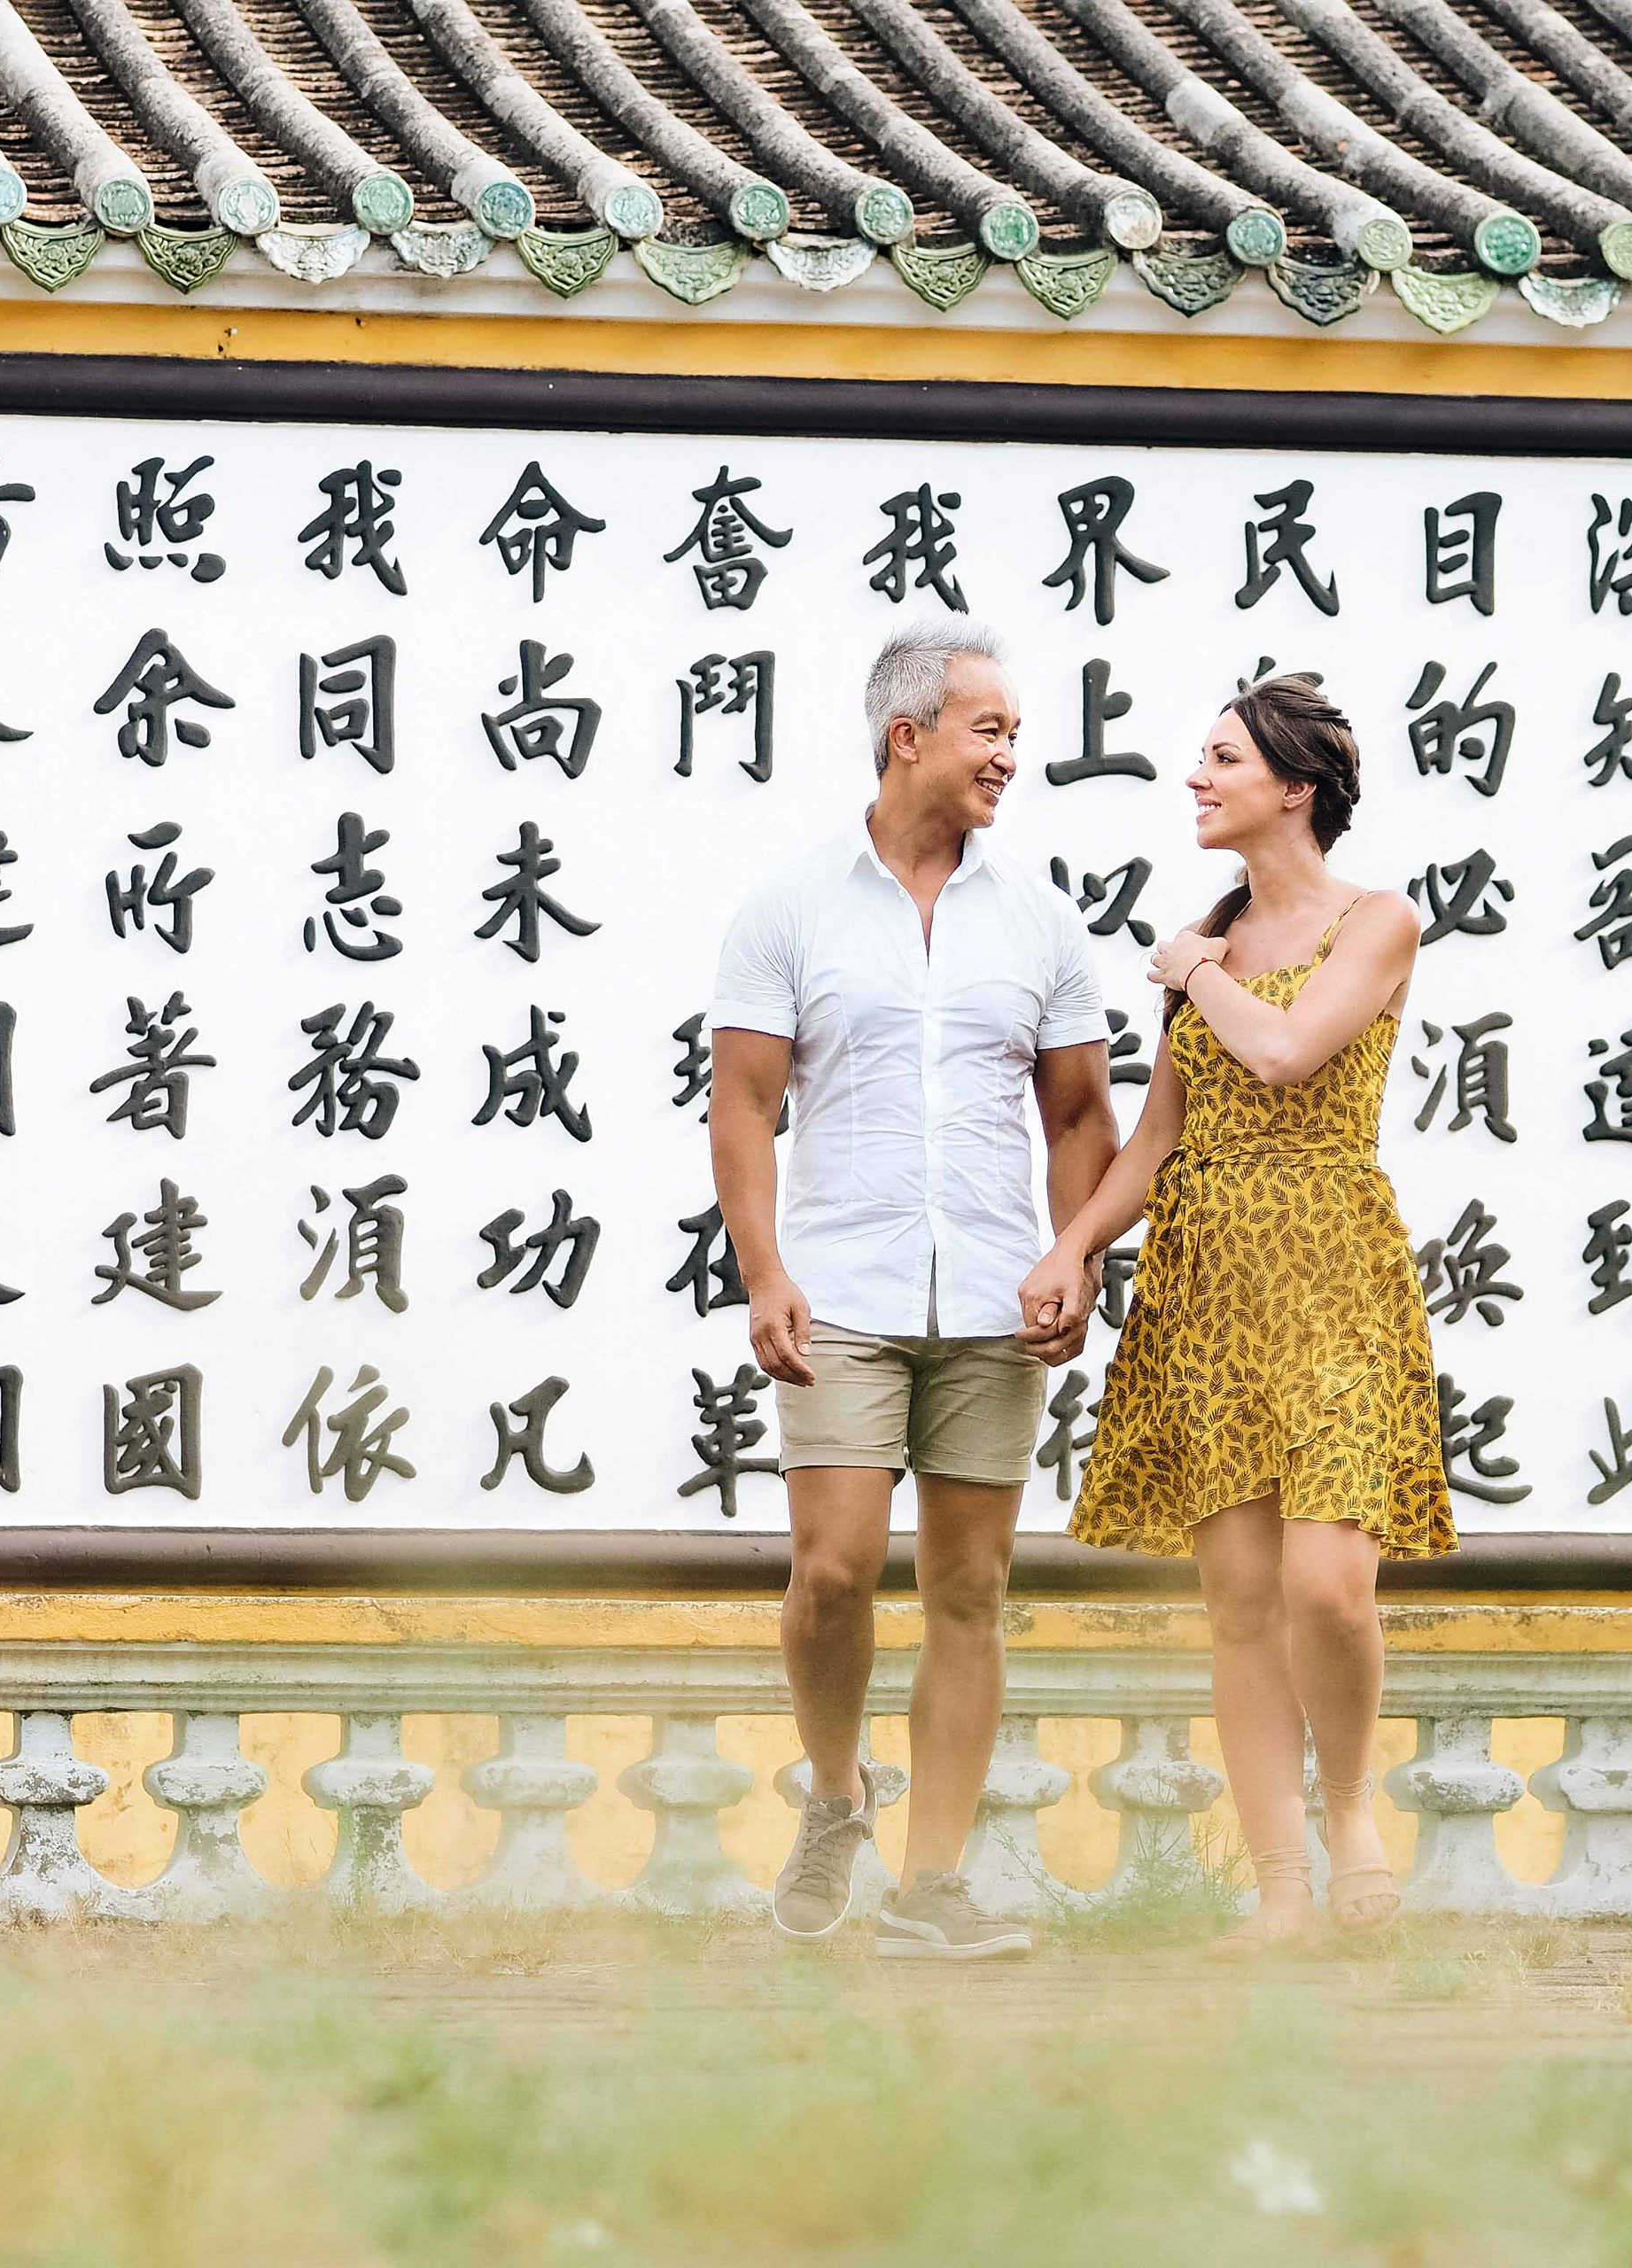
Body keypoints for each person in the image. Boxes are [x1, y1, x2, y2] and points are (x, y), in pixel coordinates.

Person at [1018, 672, 1455, 1955]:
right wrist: (1076, 1246)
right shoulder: (1206, 937)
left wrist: (1192, 973)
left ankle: (1354, 1815)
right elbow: (1161, 1134)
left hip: (1332, 1269)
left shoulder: (1379, 921)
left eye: (1221, 760)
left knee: (1329, 1584)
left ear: (1295, 789)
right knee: (1242, 1605)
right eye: (1197, 759)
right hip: (1206, 1284)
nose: (1196, 780)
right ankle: (1279, 1892)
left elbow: (1285, 1054)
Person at [707, 621, 1118, 1960]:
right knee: (829, 1574)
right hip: (845, 1297)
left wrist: (1076, 1255)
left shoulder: (1041, 920)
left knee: (969, 1591)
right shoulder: (789, 907)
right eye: (989, 729)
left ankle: (930, 1885)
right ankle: (836, 1795)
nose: (1012, 753)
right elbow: (747, 1103)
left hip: (996, 1297)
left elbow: (1076, 1119)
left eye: (1010, 729)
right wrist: (764, 1273)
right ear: (909, 738)